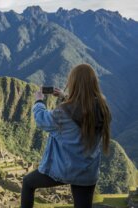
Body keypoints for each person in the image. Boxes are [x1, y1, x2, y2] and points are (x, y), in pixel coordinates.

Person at [21, 64, 112, 208]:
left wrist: (38, 101)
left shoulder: (63, 112)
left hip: (64, 169)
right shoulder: (102, 107)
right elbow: (82, 111)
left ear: (73, 83)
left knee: (28, 183)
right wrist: (65, 98)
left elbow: (42, 119)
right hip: (87, 171)